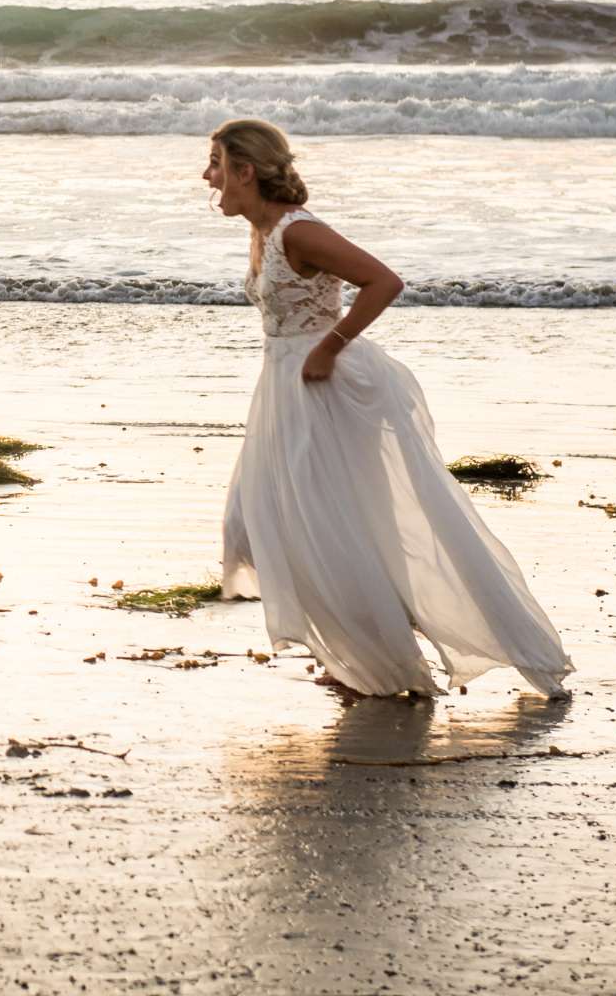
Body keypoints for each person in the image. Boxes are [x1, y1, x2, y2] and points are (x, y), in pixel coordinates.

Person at [204, 118, 572, 699]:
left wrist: (329, 346)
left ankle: (386, 655)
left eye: (217, 164)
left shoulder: (300, 232)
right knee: (260, 523)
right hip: (282, 382)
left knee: (336, 526)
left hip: (323, 382)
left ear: (245, 171)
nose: (208, 176)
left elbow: (383, 281)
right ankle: (361, 650)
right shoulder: (262, 230)